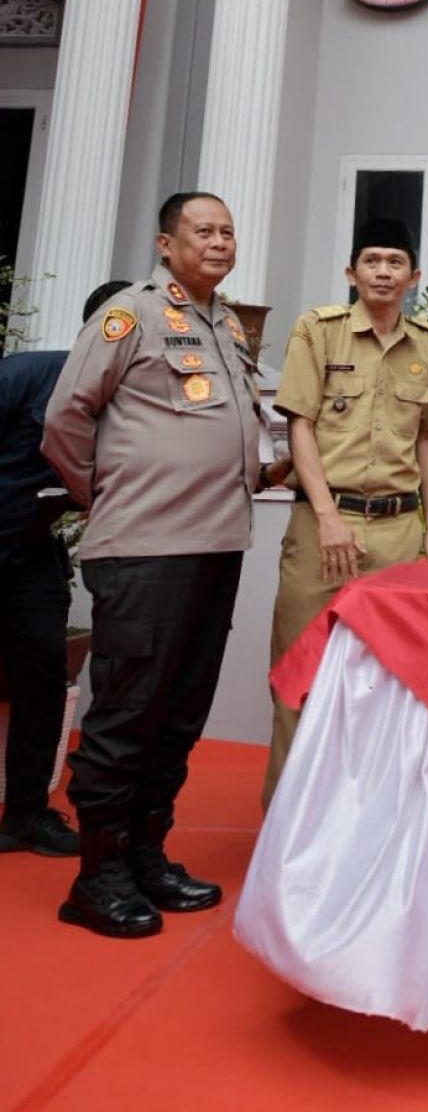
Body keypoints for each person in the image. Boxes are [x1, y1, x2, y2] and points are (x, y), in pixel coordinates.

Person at [41, 193, 260, 938]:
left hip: (216, 544)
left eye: (228, 231)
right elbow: (66, 418)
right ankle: (97, 873)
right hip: (143, 546)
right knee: (127, 711)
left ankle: (146, 855)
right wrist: (107, 491)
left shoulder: (227, 323)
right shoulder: (128, 316)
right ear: (165, 243)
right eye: (204, 230)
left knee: (178, 713)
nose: (220, 241)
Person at [262, 218, 428, 807]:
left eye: (394, 262)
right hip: (324, 525)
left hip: (399, 533)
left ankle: (370, 828)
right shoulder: (317, 333)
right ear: (352, 273)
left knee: (391, 685)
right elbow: (298, 423)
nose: (382, 271)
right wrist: (326, 518)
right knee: (299, 680)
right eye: (371, 260)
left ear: (413, 277)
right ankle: (287, 828)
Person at [0, 279, 131, 858]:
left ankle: (26, 813)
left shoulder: (131, 409)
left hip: (32, 555)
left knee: (43, 678)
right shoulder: (23, 375)